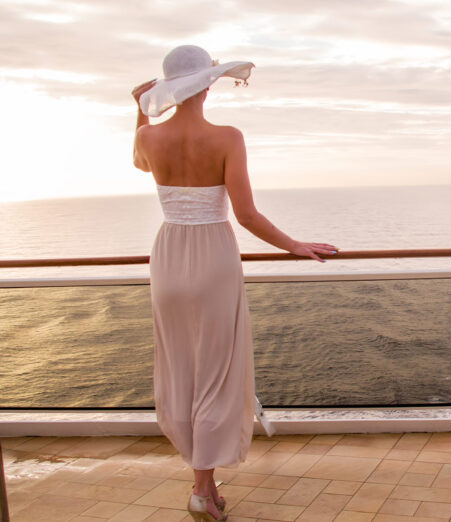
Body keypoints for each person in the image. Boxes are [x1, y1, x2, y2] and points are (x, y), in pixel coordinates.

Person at [131, 45, 337, 522]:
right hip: (213, 258)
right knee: (217, 373)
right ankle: (203, 488)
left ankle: (203, 485)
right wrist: (296, 245)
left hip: (167, 257)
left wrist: (137, 113)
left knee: (180, 368)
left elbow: (141, 162)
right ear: (207, 83)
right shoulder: (227, 137)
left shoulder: (149, 138)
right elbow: (245, 214)